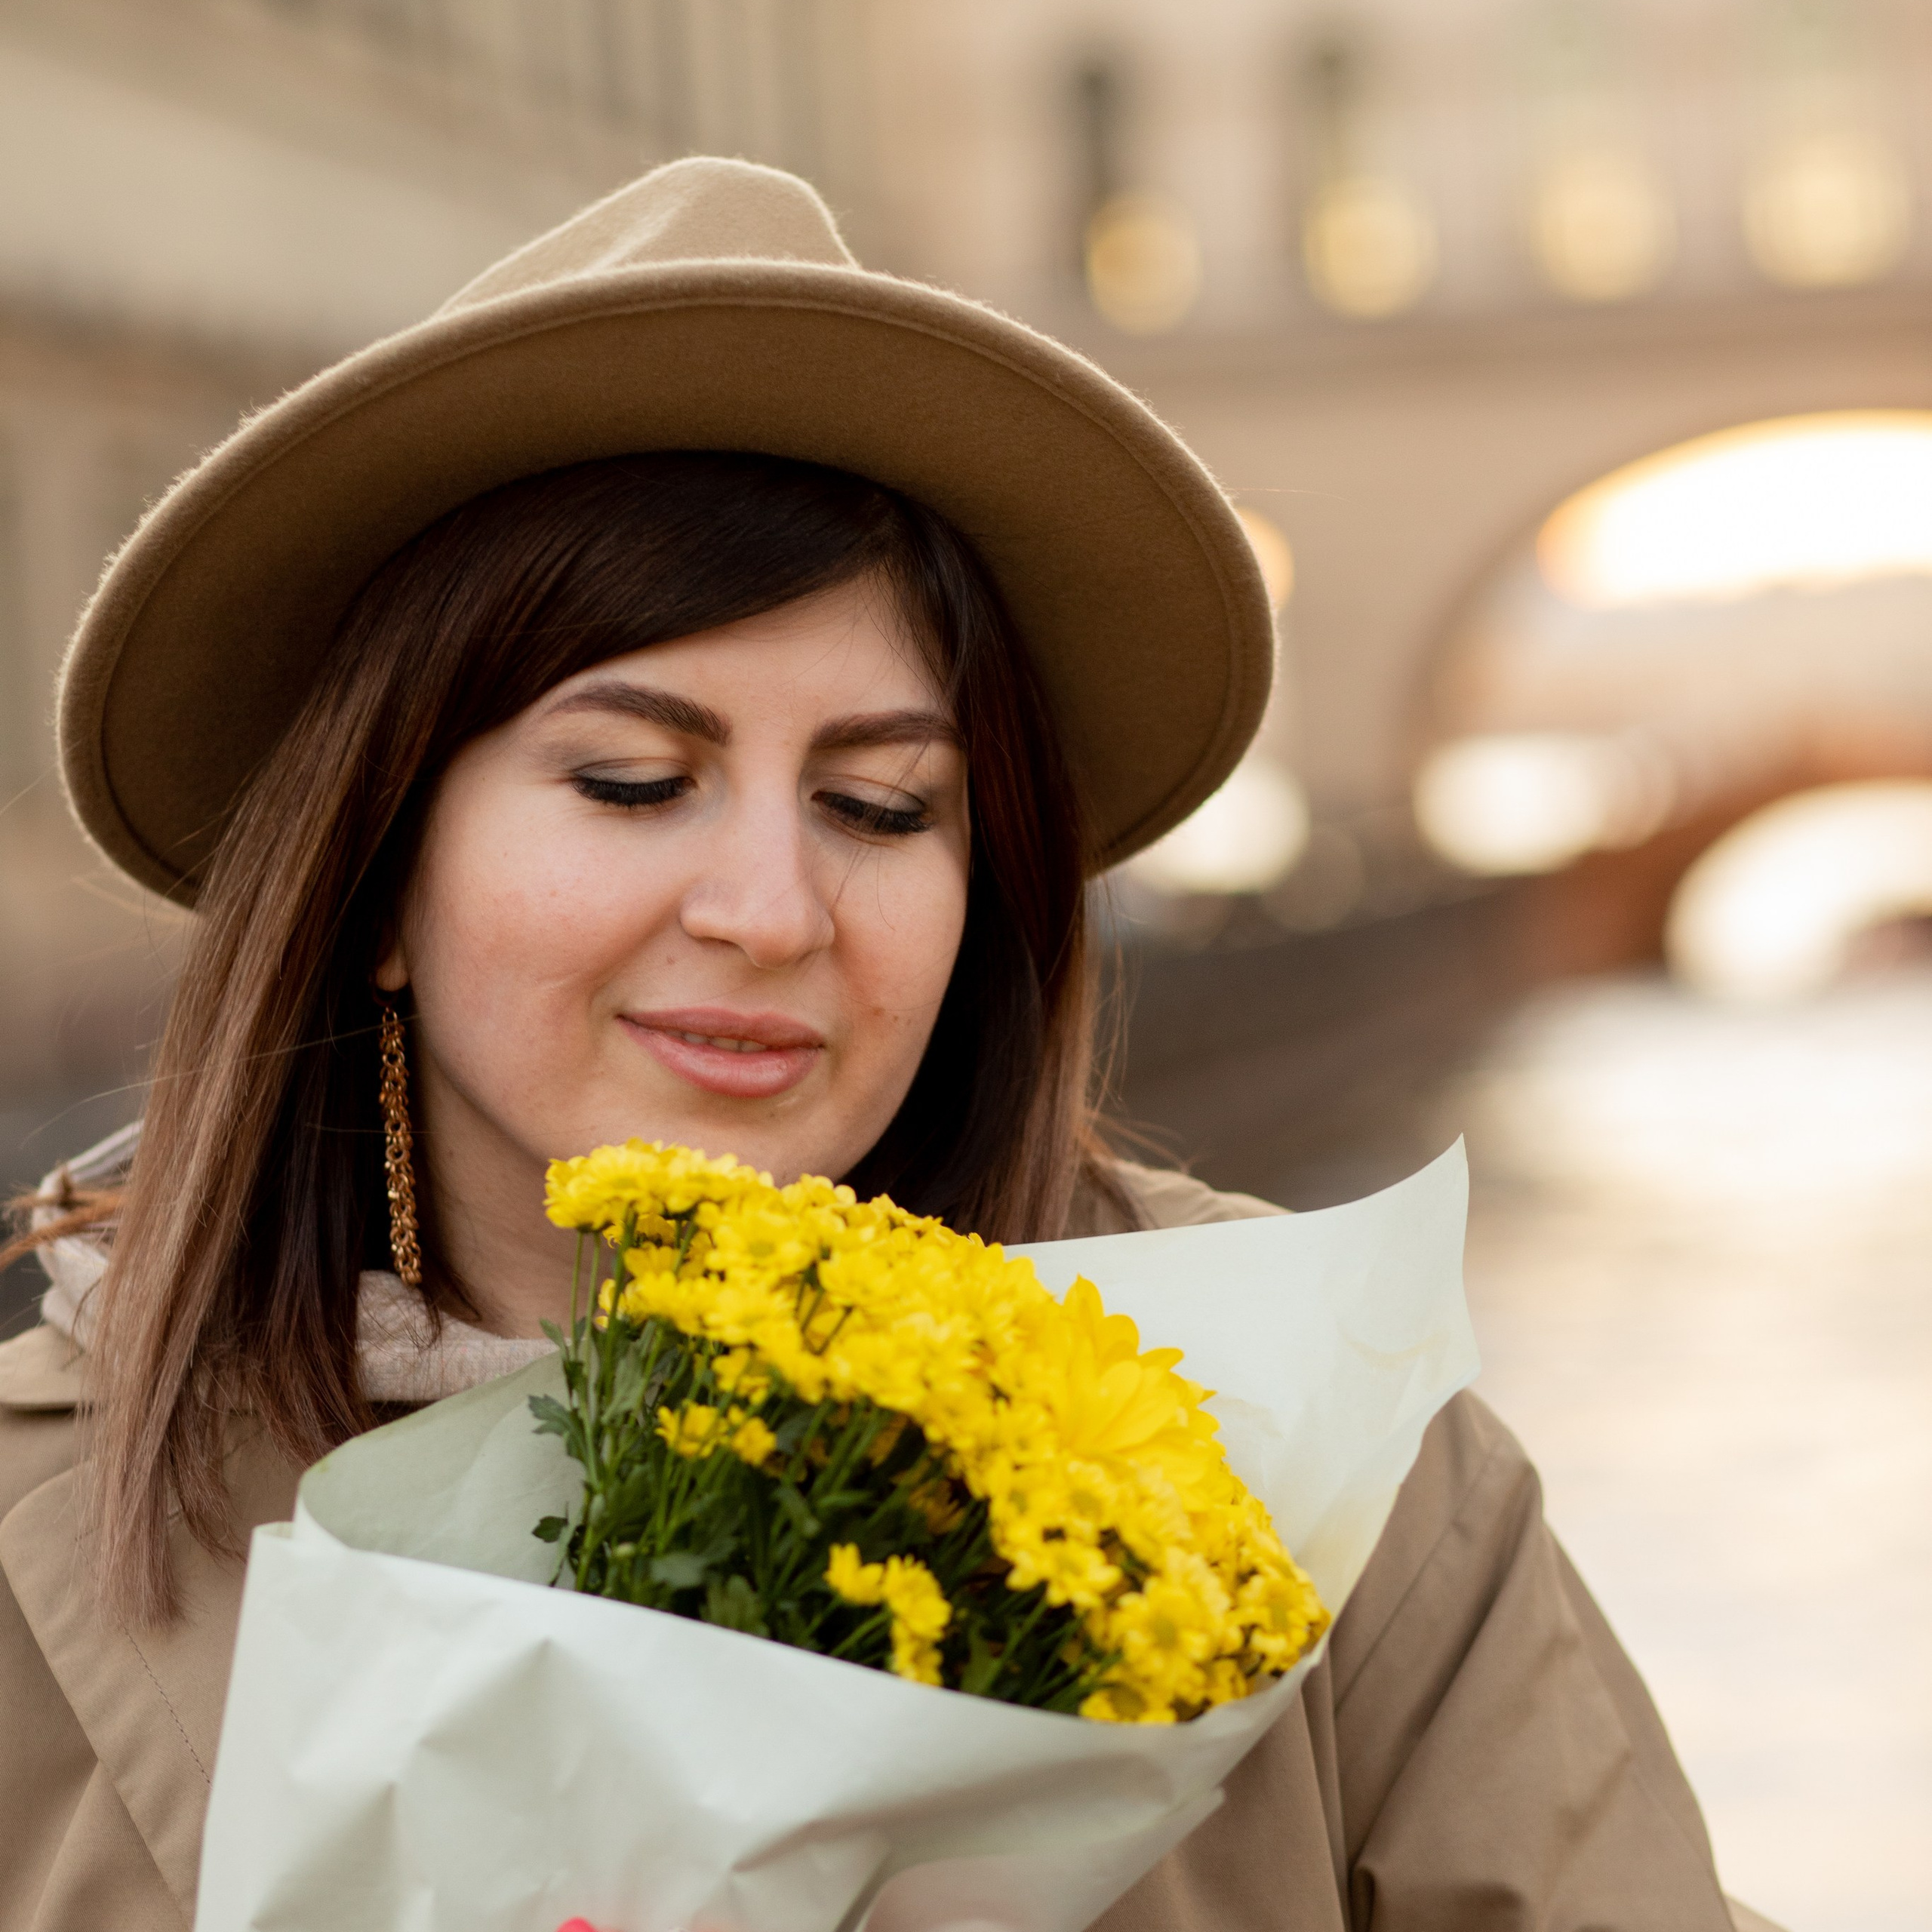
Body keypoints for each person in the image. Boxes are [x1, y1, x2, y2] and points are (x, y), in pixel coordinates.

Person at [0, 158, 1767, 1932]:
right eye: (634, 781)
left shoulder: (1317, 1465)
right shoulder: (35, 1533)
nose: (773, 908)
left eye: (879, 802)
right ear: (375, 875)